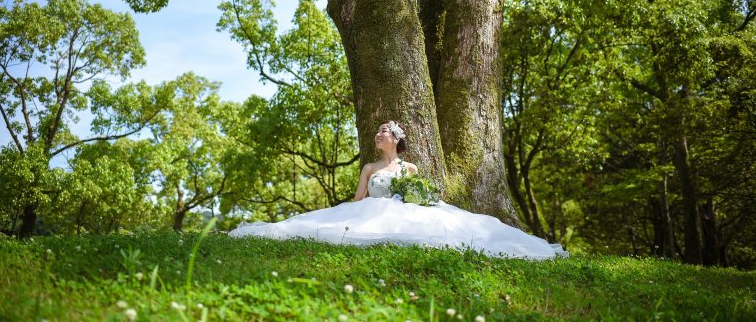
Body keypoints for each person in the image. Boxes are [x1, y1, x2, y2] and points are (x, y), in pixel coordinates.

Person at [228, 121, 568, 260]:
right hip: (371, 210)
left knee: (469, 228)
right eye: (376, 133)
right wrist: (343, 211)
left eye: (383, 132)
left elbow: (417, 195)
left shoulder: (411, 168)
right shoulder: (369, 168)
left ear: (396, 139)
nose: (378, 136)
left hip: (405, 210)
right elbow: (358, 199)